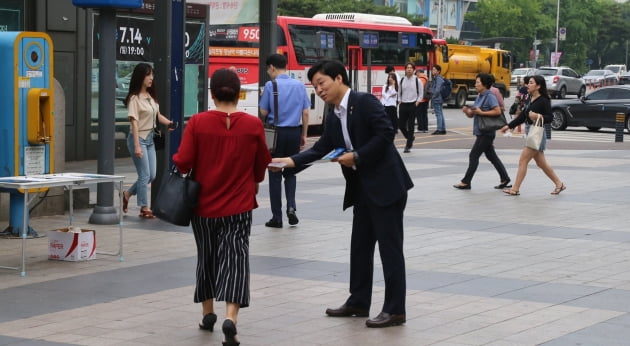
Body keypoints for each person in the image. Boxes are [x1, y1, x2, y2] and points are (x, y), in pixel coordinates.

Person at [270, 60, 413, 328]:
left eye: (322, 83)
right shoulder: (334, 114)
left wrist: (356, 156)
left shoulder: (364, 101)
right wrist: (287, 162)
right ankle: (358, 301)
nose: (319, 90)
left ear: (338, 78)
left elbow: (385, 134)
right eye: (315, 86)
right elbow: (321, 148)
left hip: (386, 187)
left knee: (390, 249)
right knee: (359, 247)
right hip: (362, 190)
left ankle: (395, 309)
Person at [173, 68, 271, 346]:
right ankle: (231, 317)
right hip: (239, 206)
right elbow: (262, 163)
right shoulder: (253, 125)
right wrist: (253, 180)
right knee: (235, 259)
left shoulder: (198, 122)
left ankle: (207, 314)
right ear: (238, 93)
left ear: (212, 94)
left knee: (207, 257)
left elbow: (183, 160)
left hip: (203, 207)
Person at [259, 54, 310, 228]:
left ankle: (277, 217)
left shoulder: (270, 85)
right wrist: (303, 134)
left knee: (274, 174)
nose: (268, 73)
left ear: (272, 67)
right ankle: (291, 207)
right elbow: (305, 113)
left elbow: (264, 112)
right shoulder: (299, 85)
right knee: (291, 171)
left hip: (276, 135)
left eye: (268, 69)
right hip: (294, 133)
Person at [122, 63, 175, 219]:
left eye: (152, 75)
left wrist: (170, 123)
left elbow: (158, 116)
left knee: (151, 175)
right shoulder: (134, 99)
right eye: (148, 75)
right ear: (141, 77)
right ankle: (144, 207)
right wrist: (137, 146)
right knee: (144, 175)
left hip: (150, 139)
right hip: (137, 139)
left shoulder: (151, 97)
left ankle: (127, 193)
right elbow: (134, 123)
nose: (151, 78)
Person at [500, 75, 566, 196]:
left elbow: (550, 118)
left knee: (523, 160)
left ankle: (515, 189)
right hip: (531, 132)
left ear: (538, 86)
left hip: (537, 133)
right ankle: (559, 184)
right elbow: (523, 116)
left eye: (531, 83)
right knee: (541, 163)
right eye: (528, 83)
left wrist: (538, 116)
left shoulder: (544, 100)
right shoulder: (530, 98)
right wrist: (509, 126)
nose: (527, 85)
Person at [453, 74, 511, 190]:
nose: (475, 84)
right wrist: (467, 111)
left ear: (484, 84)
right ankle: (505, 178)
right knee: (491, 156)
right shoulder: (480, 96)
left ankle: (466, 181)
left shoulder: (489, 96)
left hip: (486, 132)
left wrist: (482, 113)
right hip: (481, 131)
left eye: (477, 82)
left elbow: (497, 111)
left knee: (473, 155)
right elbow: (473, 113)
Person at [398, 62, 423, 152]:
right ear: (405, 69)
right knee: (401, 125)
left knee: (411, 125)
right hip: (403, 104)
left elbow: (421, 93)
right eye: (407, 68)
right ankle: (410, 137)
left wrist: (417, 102)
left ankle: (408, 146)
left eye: (410, 68)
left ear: (414, 70)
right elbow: (399, 92)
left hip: (413, 104)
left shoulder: (417, 80)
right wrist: (399, 100)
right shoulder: (402, 80)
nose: (409, 69)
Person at [430, 65, 447, 135]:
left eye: (434, 70)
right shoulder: (437, 78)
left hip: (437, 98)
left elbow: (437, 89)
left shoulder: (438, 78)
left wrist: (433, 97)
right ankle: (442, 129)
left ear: (438, 71)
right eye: (432, 69)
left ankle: (440, 129)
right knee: (440, 113)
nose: (432, 71)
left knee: (438, 114)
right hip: (438, 98)